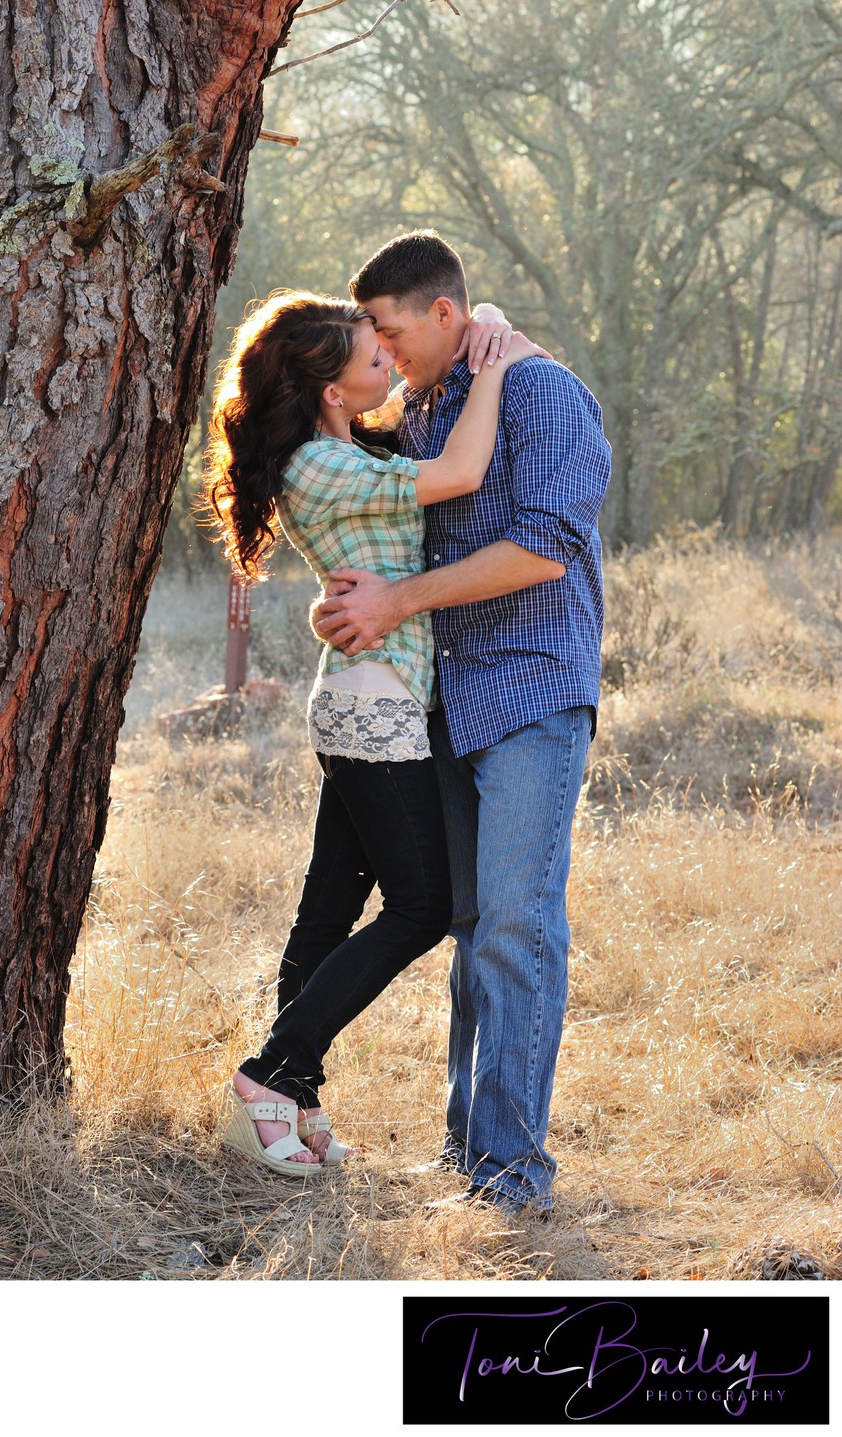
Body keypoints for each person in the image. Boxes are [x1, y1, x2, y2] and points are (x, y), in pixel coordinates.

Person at [204, 288, 546, 1177]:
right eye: (372, 357)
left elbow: (425, 397)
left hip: (374, 696)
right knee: (424, 905)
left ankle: (294, 1098)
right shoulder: (320, 467)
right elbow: (464, 471)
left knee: (328, 909)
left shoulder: (347, 445)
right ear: (329, 390)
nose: (389, 363)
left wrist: (484, 318)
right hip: (377, 705)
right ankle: (268, 1074)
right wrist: (499, 363)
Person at [313, 232, 611, 1214]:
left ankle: (514, 1173)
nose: (386, 357)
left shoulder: (545, 395)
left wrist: (400, 601)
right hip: (452, 694)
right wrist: (356, 597)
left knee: (517, 927)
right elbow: (387, 508)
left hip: (531, 691)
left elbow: (545, 550)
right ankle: (466, 1153)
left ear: (446, 314)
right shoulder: (433, 402)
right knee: (473, 925)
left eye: (394, 333)